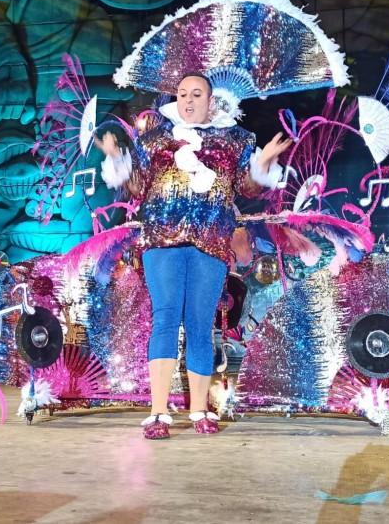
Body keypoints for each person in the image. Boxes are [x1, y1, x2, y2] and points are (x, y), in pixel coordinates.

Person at [96, 72, 291, 439]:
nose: (188, 100)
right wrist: (117, 158)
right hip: (162, 240)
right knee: (166, 318)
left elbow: (247, 187)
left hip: (210, 241)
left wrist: (263, 162)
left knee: (201, 324)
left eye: (196, 94)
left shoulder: (235, 139)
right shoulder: (155, 139)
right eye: (183, 93)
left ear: (210, 100)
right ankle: (158, 413)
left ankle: (199, 409)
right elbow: (138, 186)